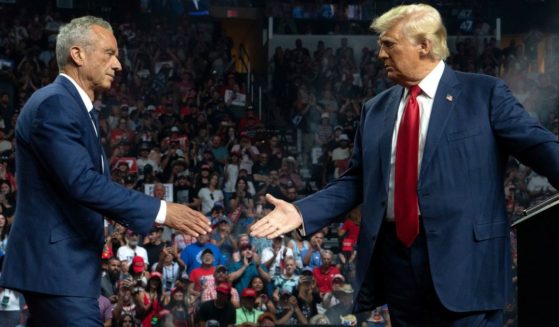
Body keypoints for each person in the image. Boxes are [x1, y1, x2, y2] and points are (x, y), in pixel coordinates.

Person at [251, 3, 559, 326]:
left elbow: (540, 146)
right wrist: (302, 212)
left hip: (467, 268)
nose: (380, 54)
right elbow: (356, 181)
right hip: (399, 272)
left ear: (424, 45)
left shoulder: (483, 94)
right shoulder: (376, 109)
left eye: (389, 44)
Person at [0, 16, 211, 325]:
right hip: (59, 270)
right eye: (109, 53)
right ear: (78, 54)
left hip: (66, 270)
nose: (119, 64)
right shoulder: (55, 104)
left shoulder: (74, 107)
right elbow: (82, 182)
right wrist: (164, 211)